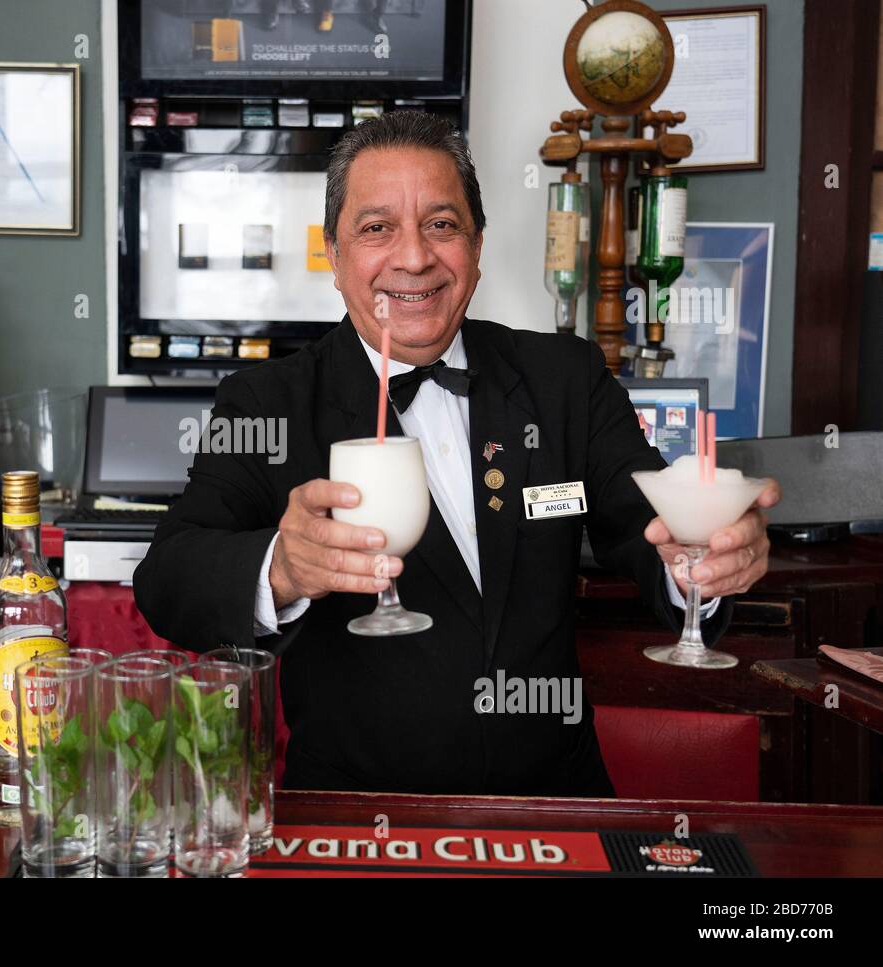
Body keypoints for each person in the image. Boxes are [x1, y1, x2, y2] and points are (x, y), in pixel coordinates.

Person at [132, 111, 780, 797]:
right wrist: (282, 568)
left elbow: (649, 525)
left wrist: (700, 563)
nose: (413, 257)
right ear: (335, 252)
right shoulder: (267, 403)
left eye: (441, 224)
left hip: (556, 807)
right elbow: (167, 578)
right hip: (357, 815)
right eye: (377, 228)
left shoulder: (565, 378)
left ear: (476, 245)